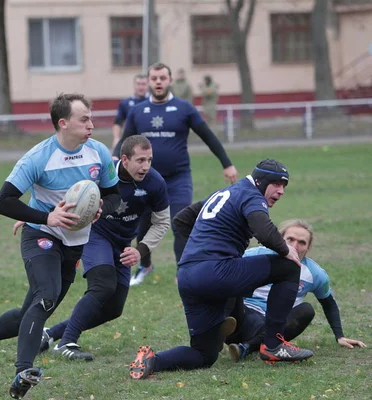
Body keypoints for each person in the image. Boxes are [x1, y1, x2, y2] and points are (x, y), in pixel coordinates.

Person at [0, 93, 121, 399]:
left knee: (29, 315)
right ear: (63, 123)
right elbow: (3, 202)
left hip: (74, 244)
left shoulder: (98, 153)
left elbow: (114, 194)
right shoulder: (39, 157)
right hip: (40, 236)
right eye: (84, 119)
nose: (91, 124)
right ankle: (23, 371)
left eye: (90, 118)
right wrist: (48, 216)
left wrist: (102, 209)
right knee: (46, 297)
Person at [128, 159, 315, 380]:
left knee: (204, 354)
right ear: (260, 181)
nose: (281, 191)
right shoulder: (251, 194)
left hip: (189, 277)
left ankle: (152, 360)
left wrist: (201, 252)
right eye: (276, 184)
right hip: (216, 271)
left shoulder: (225, 193)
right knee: (289, 268)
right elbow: (263, 230)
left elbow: (182, 220)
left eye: (285, 186)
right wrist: (286, 250)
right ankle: (273, 345)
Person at [32, 135, 170, 361]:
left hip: (123, 244)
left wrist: (141, 250)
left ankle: (51, 334)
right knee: (103, 285)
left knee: (114, 308)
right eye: (140, 160)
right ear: (124, 159)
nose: (146, 166)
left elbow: (162, 221)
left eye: (149, 160)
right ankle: (67, 342)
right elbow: (67, 192)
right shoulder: (103, 175)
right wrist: (38, 216)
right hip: (95, 235)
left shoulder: (155, 183)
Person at [113, 62, 238, 286]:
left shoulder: (184, 108)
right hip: (145, 180)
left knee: (180, 222)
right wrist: (113, 161)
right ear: (149, 82)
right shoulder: (137, 111)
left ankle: (183, 271)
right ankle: (145, 266)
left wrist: (227, 164)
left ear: (170, 80)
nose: (158, 82)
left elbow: (208, 136)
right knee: (143, 226)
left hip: (178, 178)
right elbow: (124, 142)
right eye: (154, 78)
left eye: (162, 78)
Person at [226, 219, 367, 362]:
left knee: (306, 310)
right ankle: (215, 330)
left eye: (302, 242)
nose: (295, 246)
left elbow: (329, 303)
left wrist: (340, 336)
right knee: (228, 286)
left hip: (272, 325)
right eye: (290, 239)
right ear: (279, 239)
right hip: (242, 316)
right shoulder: (255, 255)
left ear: (308, 248)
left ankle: (247, 347)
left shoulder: (314, 273)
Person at [111, 74, 148, 152]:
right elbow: (118, 122)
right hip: (131, 142)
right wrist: (116, 138)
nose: (141, 87)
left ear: (148, 85)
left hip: (148, 141)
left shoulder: (153, 102)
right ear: (134, 85)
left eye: (143, 84)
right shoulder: (125, 103)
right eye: (138, 84)